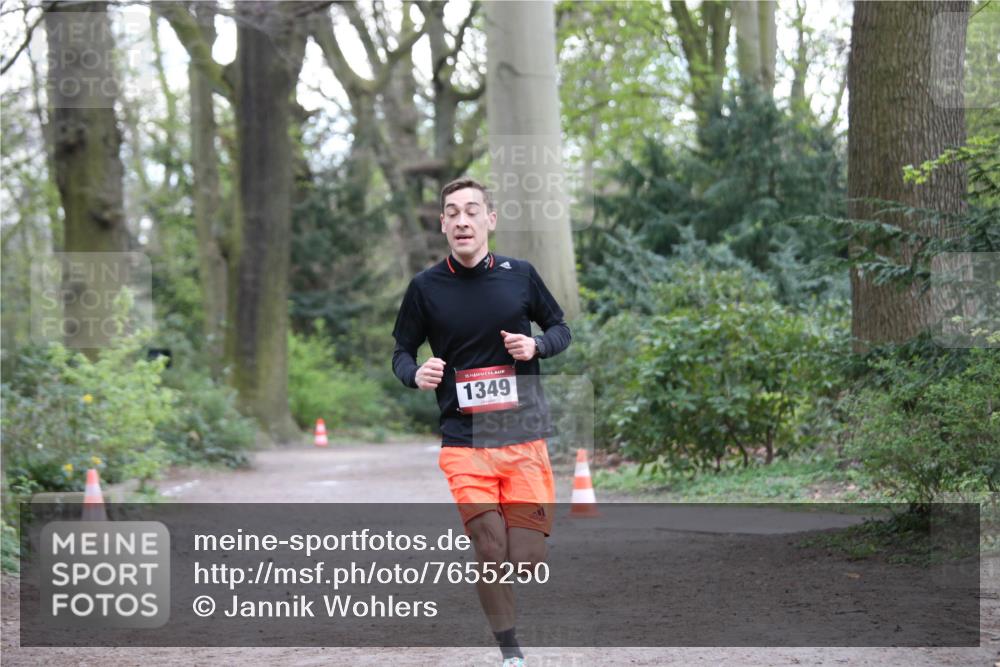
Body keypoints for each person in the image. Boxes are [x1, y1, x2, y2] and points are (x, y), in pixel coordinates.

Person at [392, 177, 571, 667]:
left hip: (523, 437)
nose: (463, 220)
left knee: (527, 560)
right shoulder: (425, 288)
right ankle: (510, 652)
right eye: (453, 212)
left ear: (490, 219)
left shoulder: (520, 275)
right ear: (444, 224)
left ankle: (511, 595)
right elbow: (402, 352)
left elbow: (561, 328)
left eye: (473, 210)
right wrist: (415, 374)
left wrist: (537, 345)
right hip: (464, 441)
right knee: (490, 549)